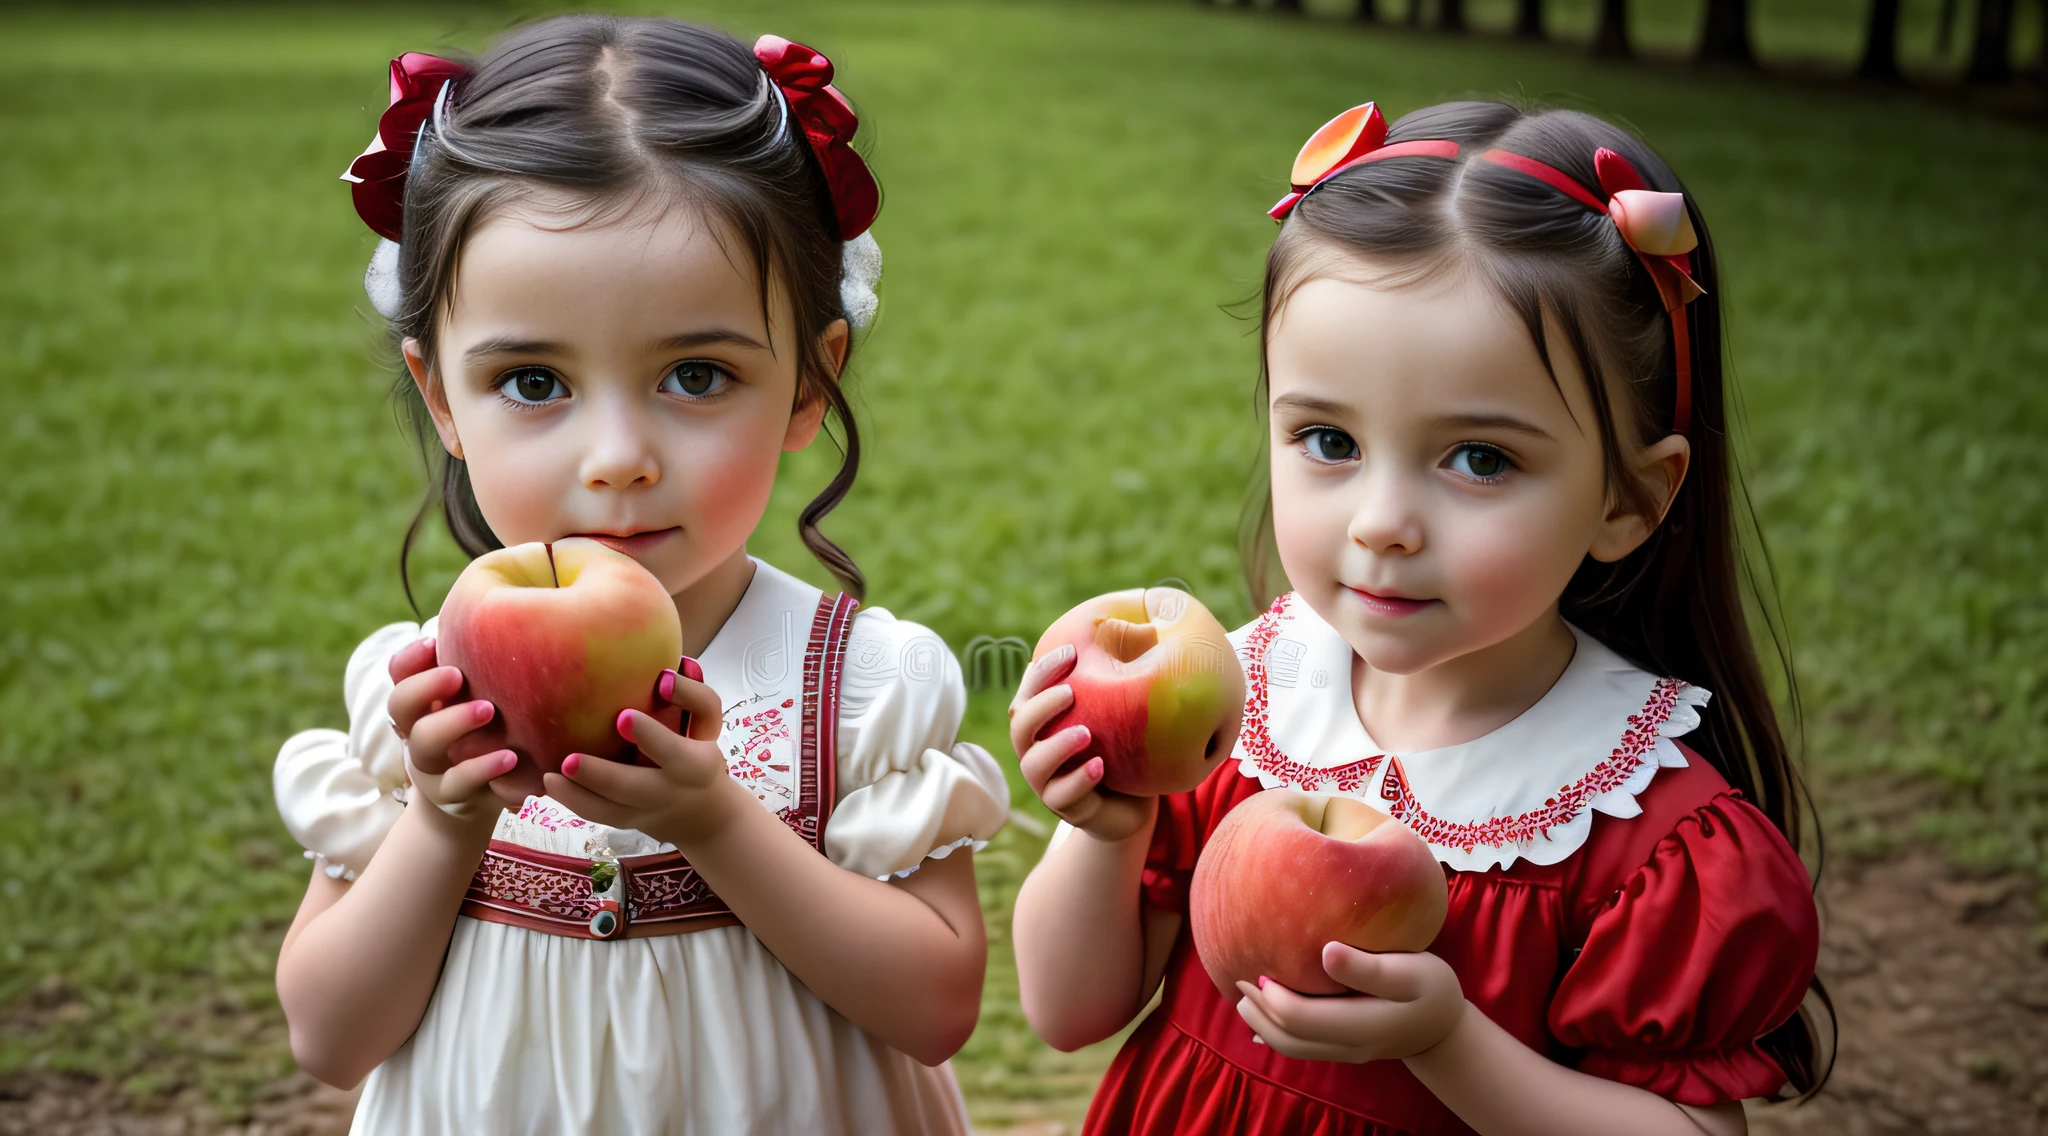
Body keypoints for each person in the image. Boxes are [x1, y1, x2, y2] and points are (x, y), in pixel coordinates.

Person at [1010, 99, 1827, 1136]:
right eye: (1326, 439)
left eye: (1478, 458)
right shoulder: (1240, 710)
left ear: (1627, 499)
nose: (1382, 522)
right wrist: (1103, 830)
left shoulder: (1643, 837)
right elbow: (1067, 1008)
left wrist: (1445, 1042)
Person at [270, 16, 1007, 1133]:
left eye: (696, 373)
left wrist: (718, 820)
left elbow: (934, 1005)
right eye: (531, 381)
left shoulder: (858, 687)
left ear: (811, 381)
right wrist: (441, 819)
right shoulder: (424, 698)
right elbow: (330, 1036)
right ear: (440, 398)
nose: (618, 457)